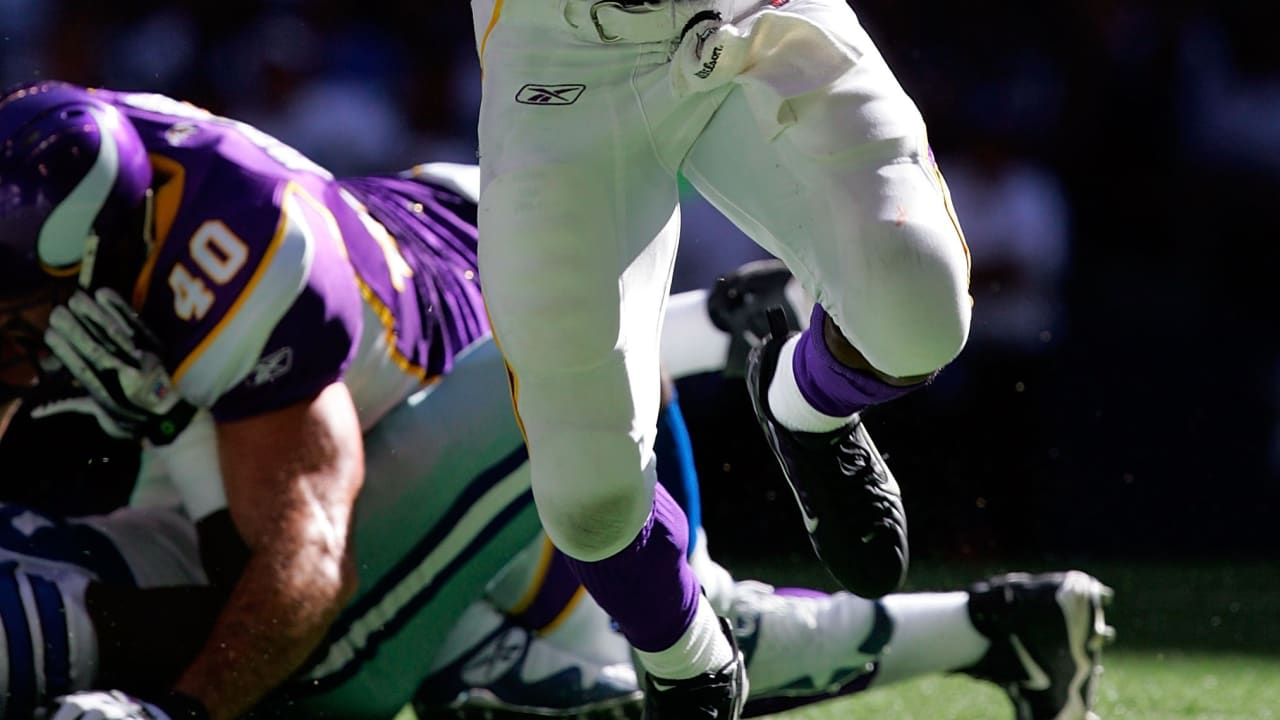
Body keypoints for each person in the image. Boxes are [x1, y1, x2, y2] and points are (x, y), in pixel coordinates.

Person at [469, 2, 972, 715]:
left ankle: (804, 403)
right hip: (567, 54)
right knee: (587, 492)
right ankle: (688, 662)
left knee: (917, 309)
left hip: (753, 10)